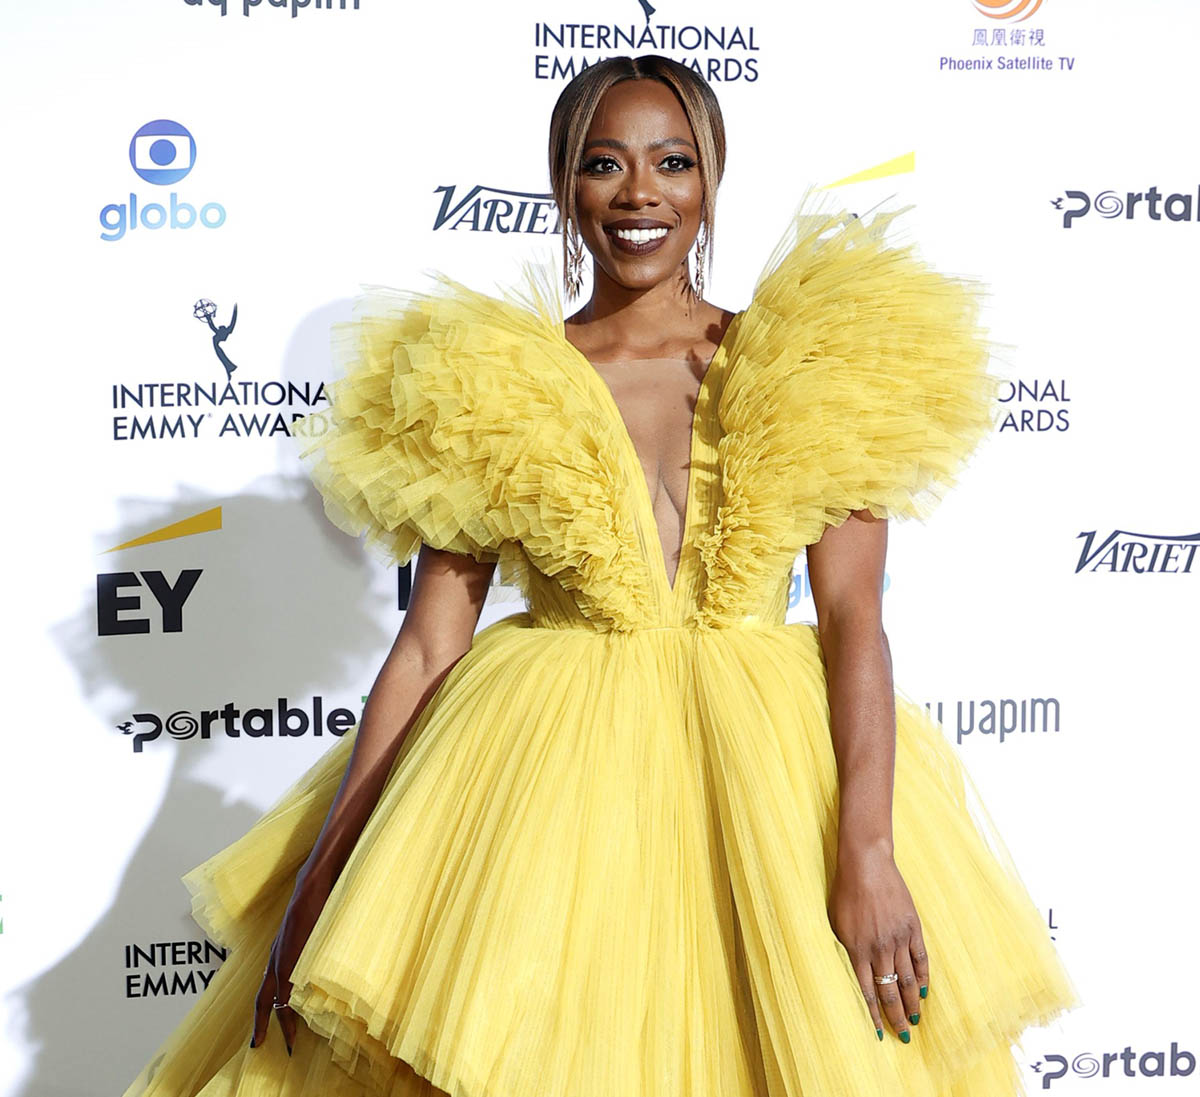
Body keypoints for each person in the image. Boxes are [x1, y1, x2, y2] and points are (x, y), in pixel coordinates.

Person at [120, 54, 1082, 1097]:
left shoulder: (807, 360)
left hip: (768, 788)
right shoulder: (496, 382)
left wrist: (868, 847)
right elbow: (433, 643)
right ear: (563, 183)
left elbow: (856, 616)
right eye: (603, 163)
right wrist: (322, 870)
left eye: (672, 162)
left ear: (710, 181)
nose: (639, 193)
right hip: (548, 794)